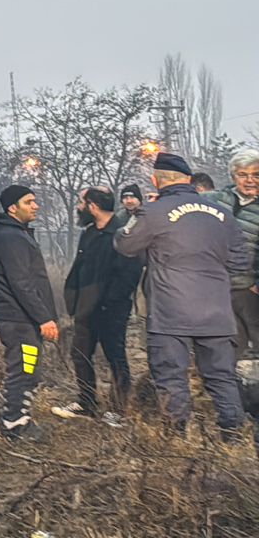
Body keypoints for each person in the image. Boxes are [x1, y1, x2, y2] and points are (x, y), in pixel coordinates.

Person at [114, 153, 251, 444]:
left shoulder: (153, 212)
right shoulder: (222, 213)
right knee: (221, 377)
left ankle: (176, 443)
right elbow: (241, 262)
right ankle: (233, 439)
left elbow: (125, 244)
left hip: (171, 313)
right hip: (217, 312)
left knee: (171, 378)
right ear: (189, 180)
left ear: (156, 180)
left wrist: (140, 215)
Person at [53, 188, 141, 426]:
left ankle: (120, 411)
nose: (79, 207)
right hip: (85, 309)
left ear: (92, 206)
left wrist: (109, 302)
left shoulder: (122, 235)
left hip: (111, 310)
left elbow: (130, 275)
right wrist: (74, 297)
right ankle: (86, 403)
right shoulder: (89, 233)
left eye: (82, 203)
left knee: (115, 357)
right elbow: (81, 268)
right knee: (79, 354)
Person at [0, 185, 59, 441]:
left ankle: (19, 417)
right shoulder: (9, 238)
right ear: (12, 208)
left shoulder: (14, 235)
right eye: (29, 202)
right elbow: (21, 283)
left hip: (22, 317)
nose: (35, 206)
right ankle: (14, 424)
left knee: (30, 368)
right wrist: (44, 318)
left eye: (35, 201)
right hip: (18, 318)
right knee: (24, 369)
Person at [208, 150, 259, 356]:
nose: (250, 180)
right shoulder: (216, 200)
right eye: (243, 174)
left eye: (256, 175)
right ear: (233, 176)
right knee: (230, 345)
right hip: (218, 287)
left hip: (250, 288)